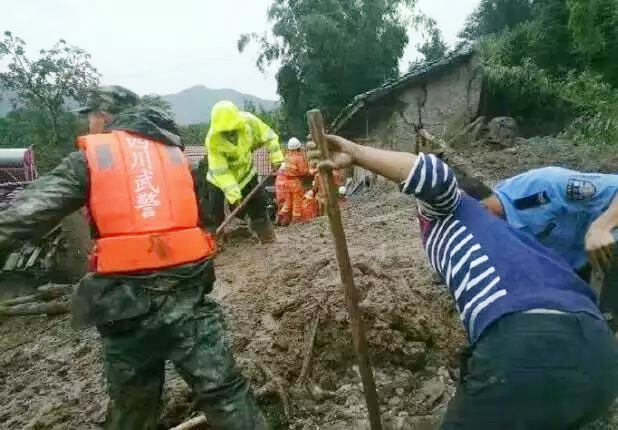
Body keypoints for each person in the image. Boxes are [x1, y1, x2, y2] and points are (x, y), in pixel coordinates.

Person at [0, 86, 268, 430]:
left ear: (107, 115)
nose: (90, 123)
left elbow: (25, 214)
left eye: (92, 115)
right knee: (226, 393)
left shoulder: (93, 157)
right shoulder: (174, 153)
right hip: (190, 293)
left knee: (134, 407)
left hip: (128, 304)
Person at [308, 134, 618, 429]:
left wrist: (357, 154)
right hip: (599, 354)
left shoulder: (451, 208)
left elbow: (432, 173)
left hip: (528, 341)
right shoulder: (518, 239)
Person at [480, 167, 618, 316]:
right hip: (572, 272)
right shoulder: (486, 243)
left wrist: (601, 227)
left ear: (481, 207)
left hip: (606, 245)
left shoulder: (542, 186)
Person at [204, 100, 283, 242]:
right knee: (214, 213)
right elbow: (221, 171)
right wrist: (234, 195)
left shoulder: (250, 122)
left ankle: (267, 237)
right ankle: (215, 242)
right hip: (219, 181)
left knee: (258, 208)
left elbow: (270, 136)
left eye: (232, 130)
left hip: (247, 174)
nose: (230, 134)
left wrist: (276, 157)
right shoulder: (213, 139)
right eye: (225, 132)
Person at [279, 137, 310, 224]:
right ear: (298, 147)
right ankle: (295, 221)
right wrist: (309, 170)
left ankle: (282, 214)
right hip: (295, 182)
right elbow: (303, 171)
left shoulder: (287, 156)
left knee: (288, 200)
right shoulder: (298, 158)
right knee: (297, 201)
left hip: (286, 182)